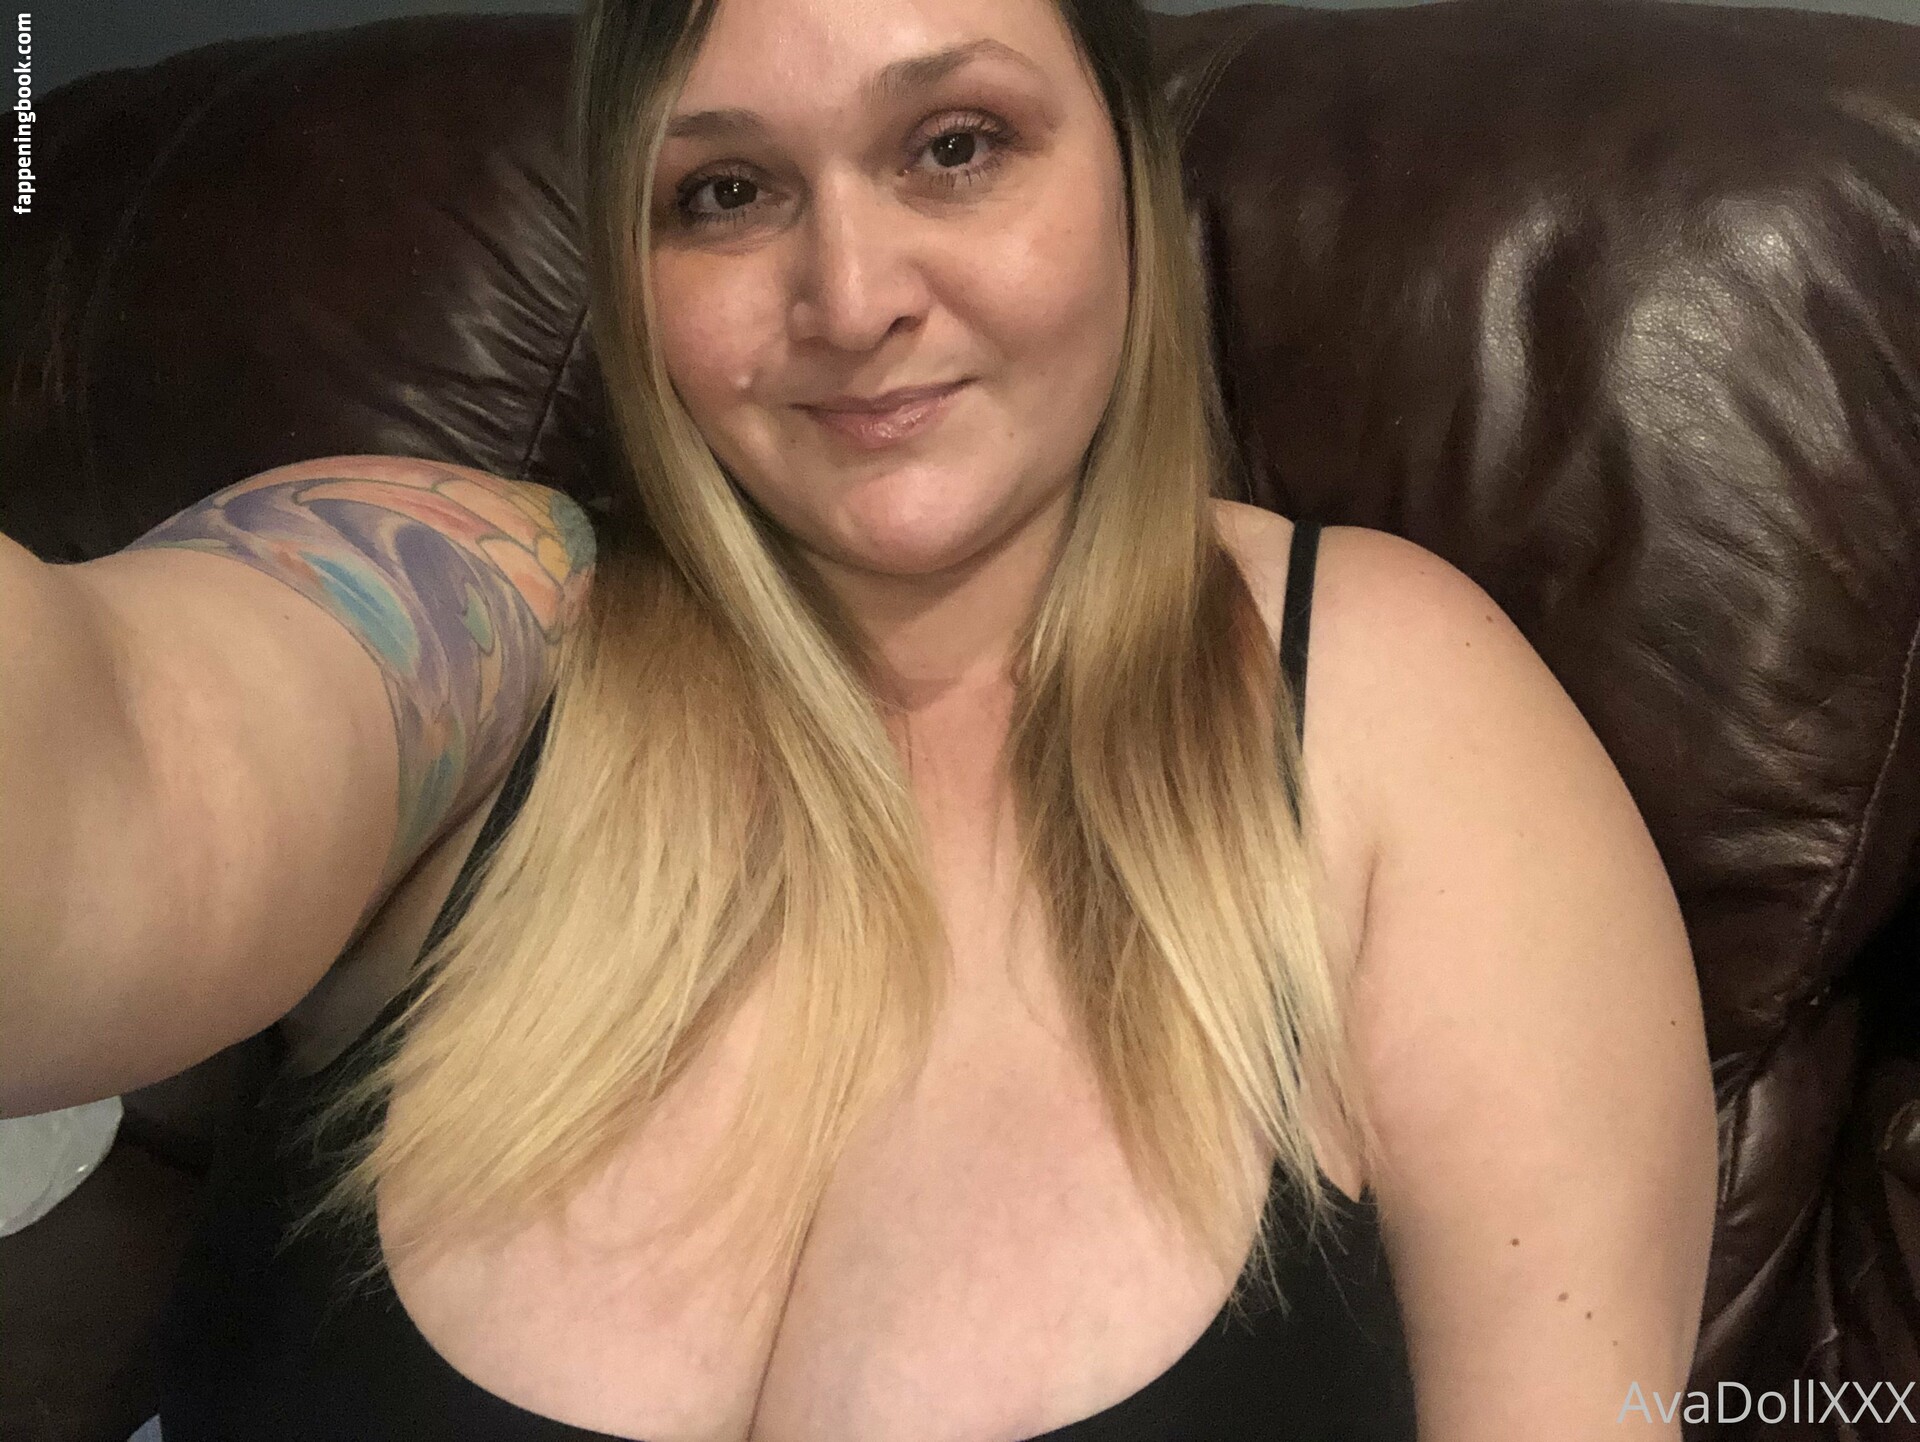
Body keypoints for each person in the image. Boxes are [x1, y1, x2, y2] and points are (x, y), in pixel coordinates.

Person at [0, 0, 1720, 1435]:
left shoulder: (1390, 706)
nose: (849, 298)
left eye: (954, 146)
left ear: (1132, 171)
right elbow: (117, 764)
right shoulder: (481, 607)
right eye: (725, 192)